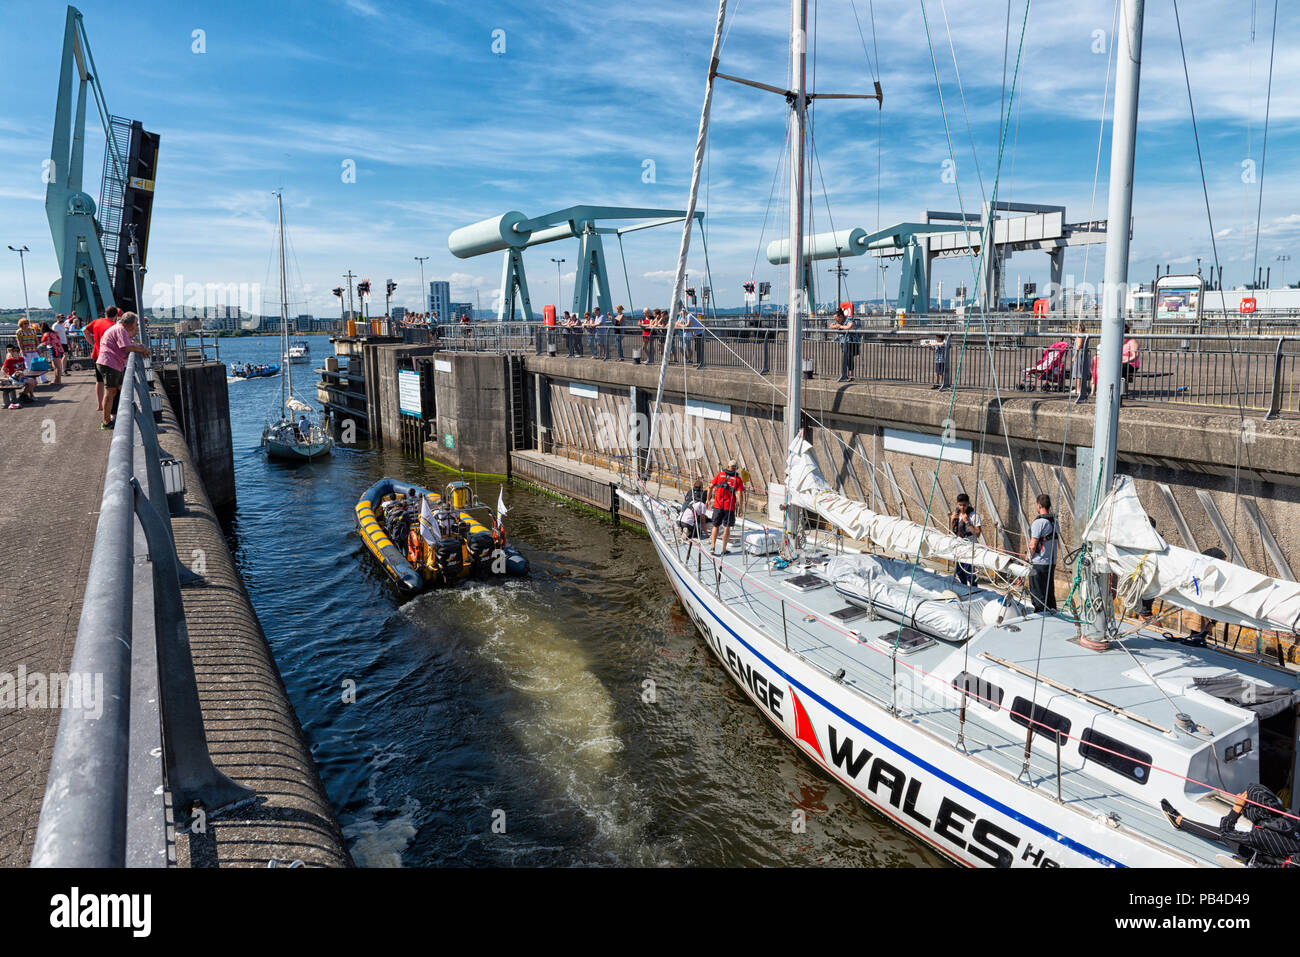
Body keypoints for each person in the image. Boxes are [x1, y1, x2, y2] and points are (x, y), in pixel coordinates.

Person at [1161, 783, 1300, 867]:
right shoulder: (1289, 816)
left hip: (1275, 864)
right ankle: (1180, 821)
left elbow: (1226, 830)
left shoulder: (1261, 834)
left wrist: (1237, 808)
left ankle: (1178, 821)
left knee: (1225, 836)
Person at [95, 312, 150, 429]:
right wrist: (142, 350)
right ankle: (106, 422)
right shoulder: (121, 329)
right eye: (135, 324)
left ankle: (119, 416)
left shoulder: (119, 328)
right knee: (110, 392)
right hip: (109, 363)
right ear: (129, 324)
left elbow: (129, 343)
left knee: (120, 390)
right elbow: (127, 347)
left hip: (112, 363)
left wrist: (140, 347)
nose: (136, 327)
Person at [1026, 493, 1057, 612]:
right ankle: (1052, 612)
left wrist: (1027, 558)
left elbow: (1033, 544)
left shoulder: (1039, 523)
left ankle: (1040, 614)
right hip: (1051, 563)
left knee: (1038, 594)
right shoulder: (1054, 521)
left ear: (1038, 505)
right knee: (1049, 593)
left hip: (1039, 563)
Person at [85, 306, 119, 412]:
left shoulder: (96, 321)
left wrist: (94, 344)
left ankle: (99, 405)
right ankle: (111, 407)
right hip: (109, 357)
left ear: (106, 314)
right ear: (116, 316)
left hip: (97, 354)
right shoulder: (114, 326)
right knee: (111, 384)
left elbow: (85, 331)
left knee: (99, 381)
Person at [708, 458, 745, 555]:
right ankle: (723, 550)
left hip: (717, 505)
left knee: (715, 526)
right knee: (726, 527)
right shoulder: (737, 479)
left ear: (728, 466)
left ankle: (712, 547)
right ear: (736, 468)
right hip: (729, 507)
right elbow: (740, 495)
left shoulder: (720, 475)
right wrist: (740, 508)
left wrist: (708, 500)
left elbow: (710, 487)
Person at [950, 493, 982, 587]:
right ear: (957, 504)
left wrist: (967, 522)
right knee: (959, 570)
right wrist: (952, 520)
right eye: (960, 505)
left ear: (968, 504)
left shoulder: (974, 516)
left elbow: (977, 533)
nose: (962, 507)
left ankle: (974, 588)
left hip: (969, 546)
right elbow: (954, 531)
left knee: (969, 571)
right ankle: (963, 587)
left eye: (964, 505)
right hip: (959, 545)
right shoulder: (957, 514)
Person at [829, 307, 859, 382]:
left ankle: (850, 374)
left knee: (849, 357)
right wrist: (836, 326)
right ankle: (846, 374)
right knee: (845, 358)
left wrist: (840, 327)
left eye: (837, 319)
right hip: (843, 342)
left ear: (841, 317)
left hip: (851, 341)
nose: (836, 321)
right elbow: (831, 326)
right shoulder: (838, 321)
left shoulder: (849, 319)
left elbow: (850, 326)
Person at [15, 317, 46, 384]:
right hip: (26, 351)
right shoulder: (19, 332)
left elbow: (36, 340)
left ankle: (43, 379)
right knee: (28, 366)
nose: (27, 325)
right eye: (25, 323)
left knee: (39, 364)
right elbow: (19, 342)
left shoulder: (33, 330)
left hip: (34, 349)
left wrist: (38, 348)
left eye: (27, 323)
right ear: (21, 324)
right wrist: (22, 350)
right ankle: (31, 381)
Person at [1071, 322, 1090, 399]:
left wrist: (1074, 356)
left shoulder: (1080, 336)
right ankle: (1080, 388)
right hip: (1082, 354)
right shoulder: (1084, 336)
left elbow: (1078, 346)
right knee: (1080, 371)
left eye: (1075, 329)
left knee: (1078, 372)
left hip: (1079, 355)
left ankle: (1078, 389)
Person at [1121, 323, 1140, 389]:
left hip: (1131, 365)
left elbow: (1135, 356)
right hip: (1121, 364)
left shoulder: (1132, 342)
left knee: (1120, 368)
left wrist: (1124, 361)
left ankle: (1120, 390)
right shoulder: (1119, 342)